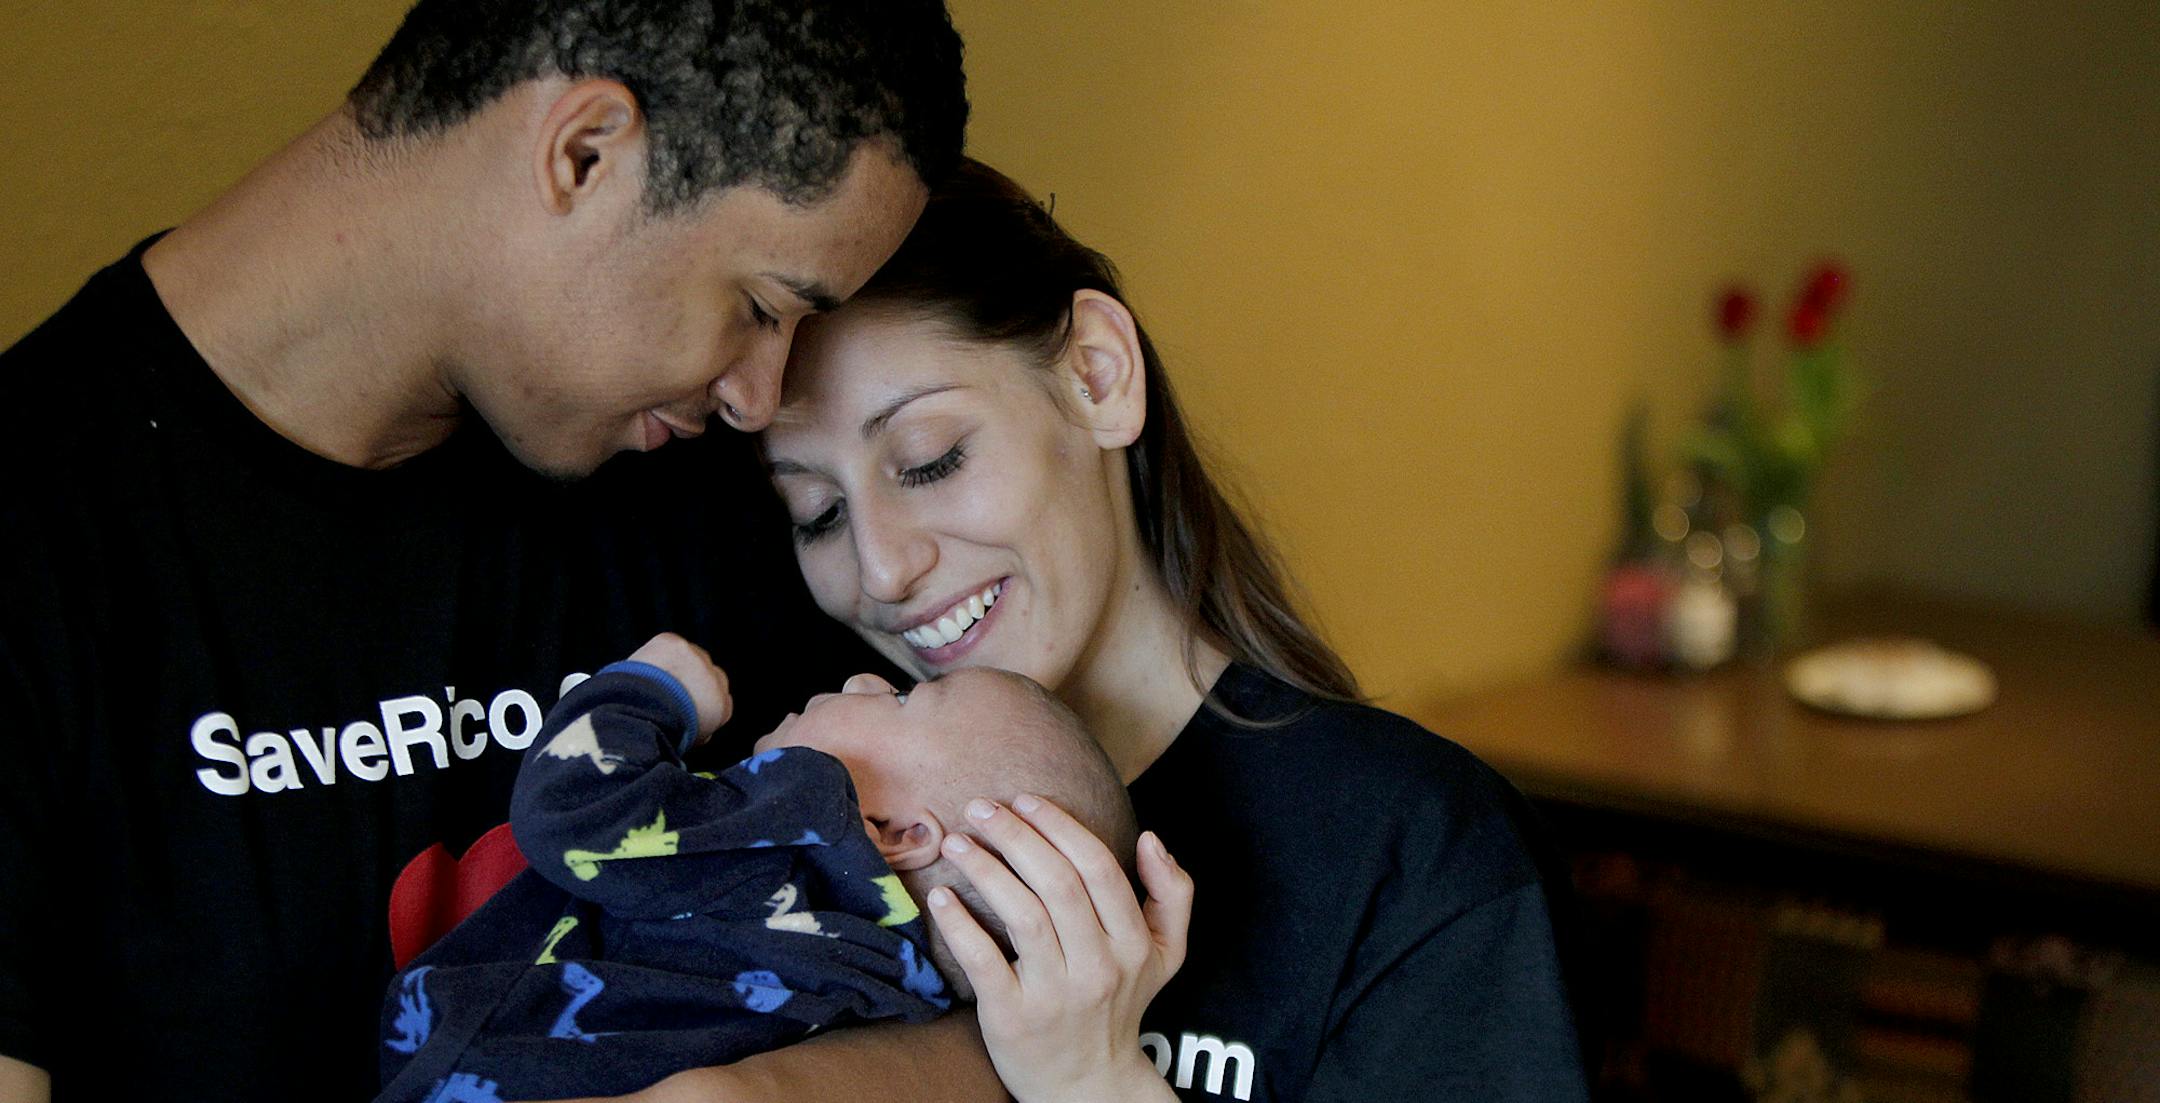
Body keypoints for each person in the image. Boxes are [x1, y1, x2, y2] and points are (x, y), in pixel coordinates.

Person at [0, 3, 974, 1100]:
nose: (761, 396)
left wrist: (756, 1095)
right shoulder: (35, 542)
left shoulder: (722, 484)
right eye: (756, 306)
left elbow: (1022, 1003)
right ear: (583, 154)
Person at [760, 158, 1592, 1101]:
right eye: (817, 512)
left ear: (1096, 375)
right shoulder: (799, 826)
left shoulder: (1414, 858)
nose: (881, 567)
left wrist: (1095, 1082)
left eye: (930, 459)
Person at [377, 632, 1178, 1103]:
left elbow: (572, 813)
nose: (866, 675)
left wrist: (652, 694)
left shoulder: (792, 834)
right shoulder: (899, 993)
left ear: (895, 831)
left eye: (903, 698)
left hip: (474, 1068)